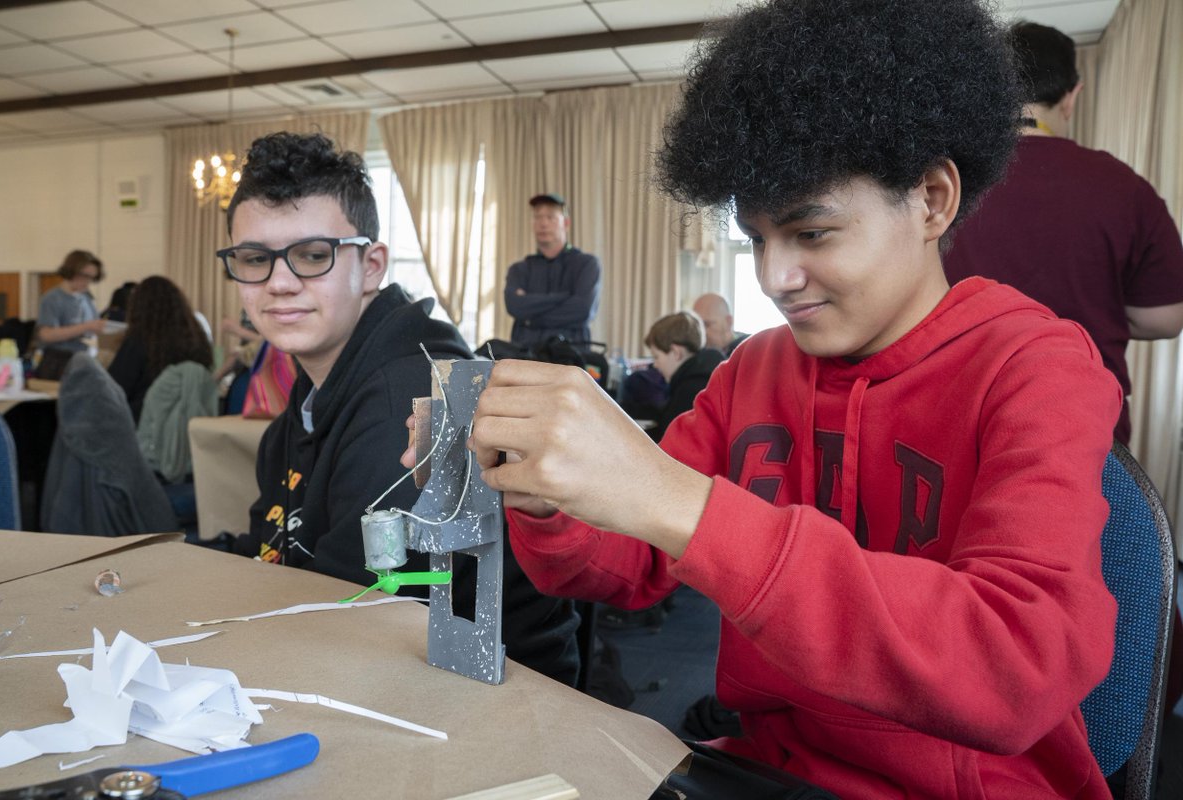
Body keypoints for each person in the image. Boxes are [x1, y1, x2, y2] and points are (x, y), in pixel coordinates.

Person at [452, 1, 1123, 796]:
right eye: (758, 238)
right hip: (764, 770)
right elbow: (625, 569)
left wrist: (682, 502)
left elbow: (1015, 665)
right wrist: (543, 492)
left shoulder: (1036, 367)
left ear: (933, 199)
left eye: (811, 234)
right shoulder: (751, 373)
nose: (774, 278)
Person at [226, 132, 579, 686]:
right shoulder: (303, 406)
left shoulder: (410, 398)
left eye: (313, 255)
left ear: (371, 266)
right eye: (254, 259)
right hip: (364, 664)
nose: (279, 283)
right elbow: (271, 551)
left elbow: (351, 604)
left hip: (495, 699)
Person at [944, 21, 1183, 446]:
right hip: (1087, 431)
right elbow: (1166, 316)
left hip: (961, 424)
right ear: (1071, 96)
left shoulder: (946, 186)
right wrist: (1096, 304)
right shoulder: (1123, 186)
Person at [107, 276, 213, 423]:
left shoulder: (138, 342)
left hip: (142, 424)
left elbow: (113, 389)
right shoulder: (197, 340)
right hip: (186, 423)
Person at [503, 193, 601, 349]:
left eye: (551, 217)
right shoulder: (519, 269)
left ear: (566, 223)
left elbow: (582, 310)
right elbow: (515, 306)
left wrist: (530, 319)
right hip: (525, 359)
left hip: (570, 359)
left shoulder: (586, 264)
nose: (543, 223)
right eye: (537, 217)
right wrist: (563, 297)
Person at [643, 310, 722, 443]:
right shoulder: (703, 376)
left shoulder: (690, 391)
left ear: (676, 352)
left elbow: (667, 442)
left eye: (656, 357)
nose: (655, 365)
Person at [36, 250, 106, 353]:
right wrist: (86, 327)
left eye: (92, 278)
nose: (88, 282)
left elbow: (93, 326)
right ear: (71, 271)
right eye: (85, 276)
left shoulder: (87, 298)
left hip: (86, 355)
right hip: (61, 359)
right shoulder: (52, 298)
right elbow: (46, 335)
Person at [691, 293, 748, 358]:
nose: (701, 333)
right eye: (697, 326)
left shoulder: (748, 349)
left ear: (728, 322)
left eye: (706, 325)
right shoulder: (694, 353)